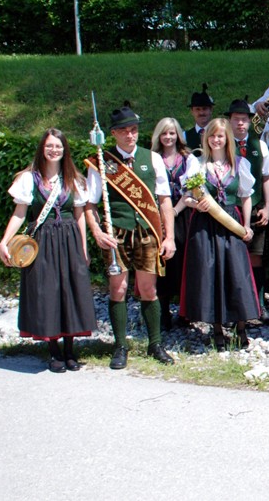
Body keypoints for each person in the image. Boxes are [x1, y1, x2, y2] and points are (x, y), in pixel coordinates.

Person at [85, 104, 176, 368]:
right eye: (124, 131)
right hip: (117, 233)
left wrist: (169, 237)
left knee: (148, 289)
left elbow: (164, 200)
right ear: (113, 133)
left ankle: (155, 344)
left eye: (134, 130)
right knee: (119, 288)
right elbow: (90, 204)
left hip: (147, 231)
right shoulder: (102, 162)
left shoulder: (153, 158)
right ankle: (120, 346)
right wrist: (97, 232)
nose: (130, 135)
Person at [0, 129, 96, 372]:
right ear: (42, 149)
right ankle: (54, 350)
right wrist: (4, 241)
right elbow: (20, 213)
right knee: (47, 292)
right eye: (49, 146)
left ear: (65, 149)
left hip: (69, 239)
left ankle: (70, 350)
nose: (54, 150)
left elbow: (80, 215)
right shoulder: (29, 179)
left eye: (58, 146)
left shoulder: (73, 178)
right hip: (42, 241)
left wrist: (83, 248)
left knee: (71, 290)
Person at [180, 118, 259, 350]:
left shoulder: (239, 164)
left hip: (231, 221)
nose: (216, 140)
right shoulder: (197, 164)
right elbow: (186, 197)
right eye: (213, 136)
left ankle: (240, 327)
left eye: (221, 136)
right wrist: (197, 204)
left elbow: (246, 197)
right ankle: (216, 329)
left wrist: (247, 225)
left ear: (227, 139)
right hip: (205, 224)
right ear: (207, 138)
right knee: (210, 272)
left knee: (237, 273)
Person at [227, 98, 269, 323]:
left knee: (256, 256)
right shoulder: (223, 144)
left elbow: (267, 177)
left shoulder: (259, 145)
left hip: (255, 206)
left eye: (244, 119)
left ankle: (259, 305)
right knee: (231, 257)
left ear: (249, 122)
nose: (240, 124)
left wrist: (267, 205)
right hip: (229, 208)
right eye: (236, 119)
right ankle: (233, 307)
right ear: (229, 121)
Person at [151, 117, 200, 330]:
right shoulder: (152, 158)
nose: (168, 137)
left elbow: (192, 188)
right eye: (164, 133)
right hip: (158, 216)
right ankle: (163, 312)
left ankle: (185, 312)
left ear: (178, 135)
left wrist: (174, 210)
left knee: (185, 262)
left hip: (184, 214)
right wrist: (162, 213)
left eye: (172, 133)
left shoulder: (189, 159)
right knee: (162, 262)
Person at [183, 83, 214, 152]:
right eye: (197, 109)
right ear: (192, 111)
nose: (201, 113)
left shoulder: (219, 134)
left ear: (211, 110)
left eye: (204, 109)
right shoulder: (184, 136)